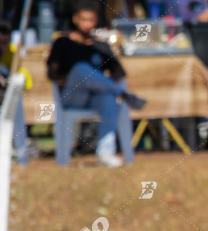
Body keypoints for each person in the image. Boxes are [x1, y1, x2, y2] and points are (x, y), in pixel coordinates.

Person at [46, 0, 146, 167]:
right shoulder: (62, 43)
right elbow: (51, 72)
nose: (87, 24)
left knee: (107, 98)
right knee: (80, 69)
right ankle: (122, 94)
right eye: (83, 20)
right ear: (75, 19)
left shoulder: (100, 46)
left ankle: (106, 153)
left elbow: (119, 72)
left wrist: (101, 83)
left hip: (96, 98)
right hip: (72, 96)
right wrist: (68, 78)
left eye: (91, 20)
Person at [0, 21, 32, 164]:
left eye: (5, 43)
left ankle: (21, 155)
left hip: (7, 99)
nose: (2, 47)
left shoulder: (13, 53)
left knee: (15, 101)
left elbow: (25, 79)